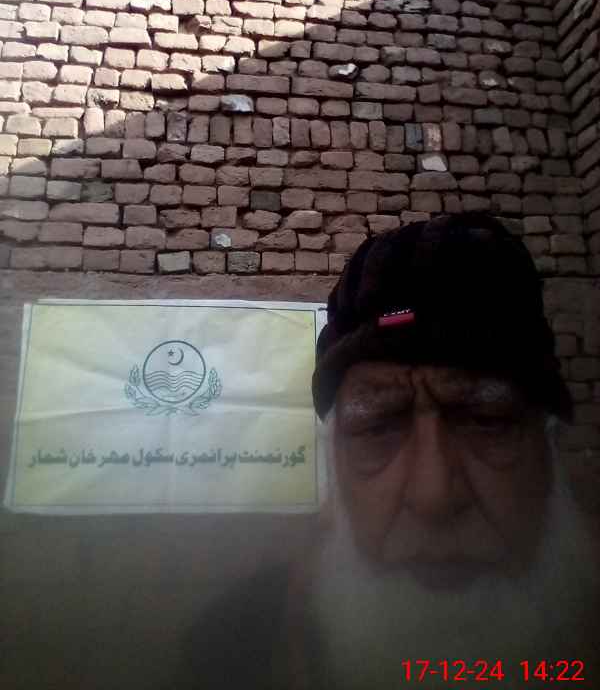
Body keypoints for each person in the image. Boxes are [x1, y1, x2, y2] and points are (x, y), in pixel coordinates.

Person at [179, 213, 600, 689]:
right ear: (334, 461)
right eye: (378, 428)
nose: (433, 496)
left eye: (486, 422)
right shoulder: (227, 651)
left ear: (551, 447)